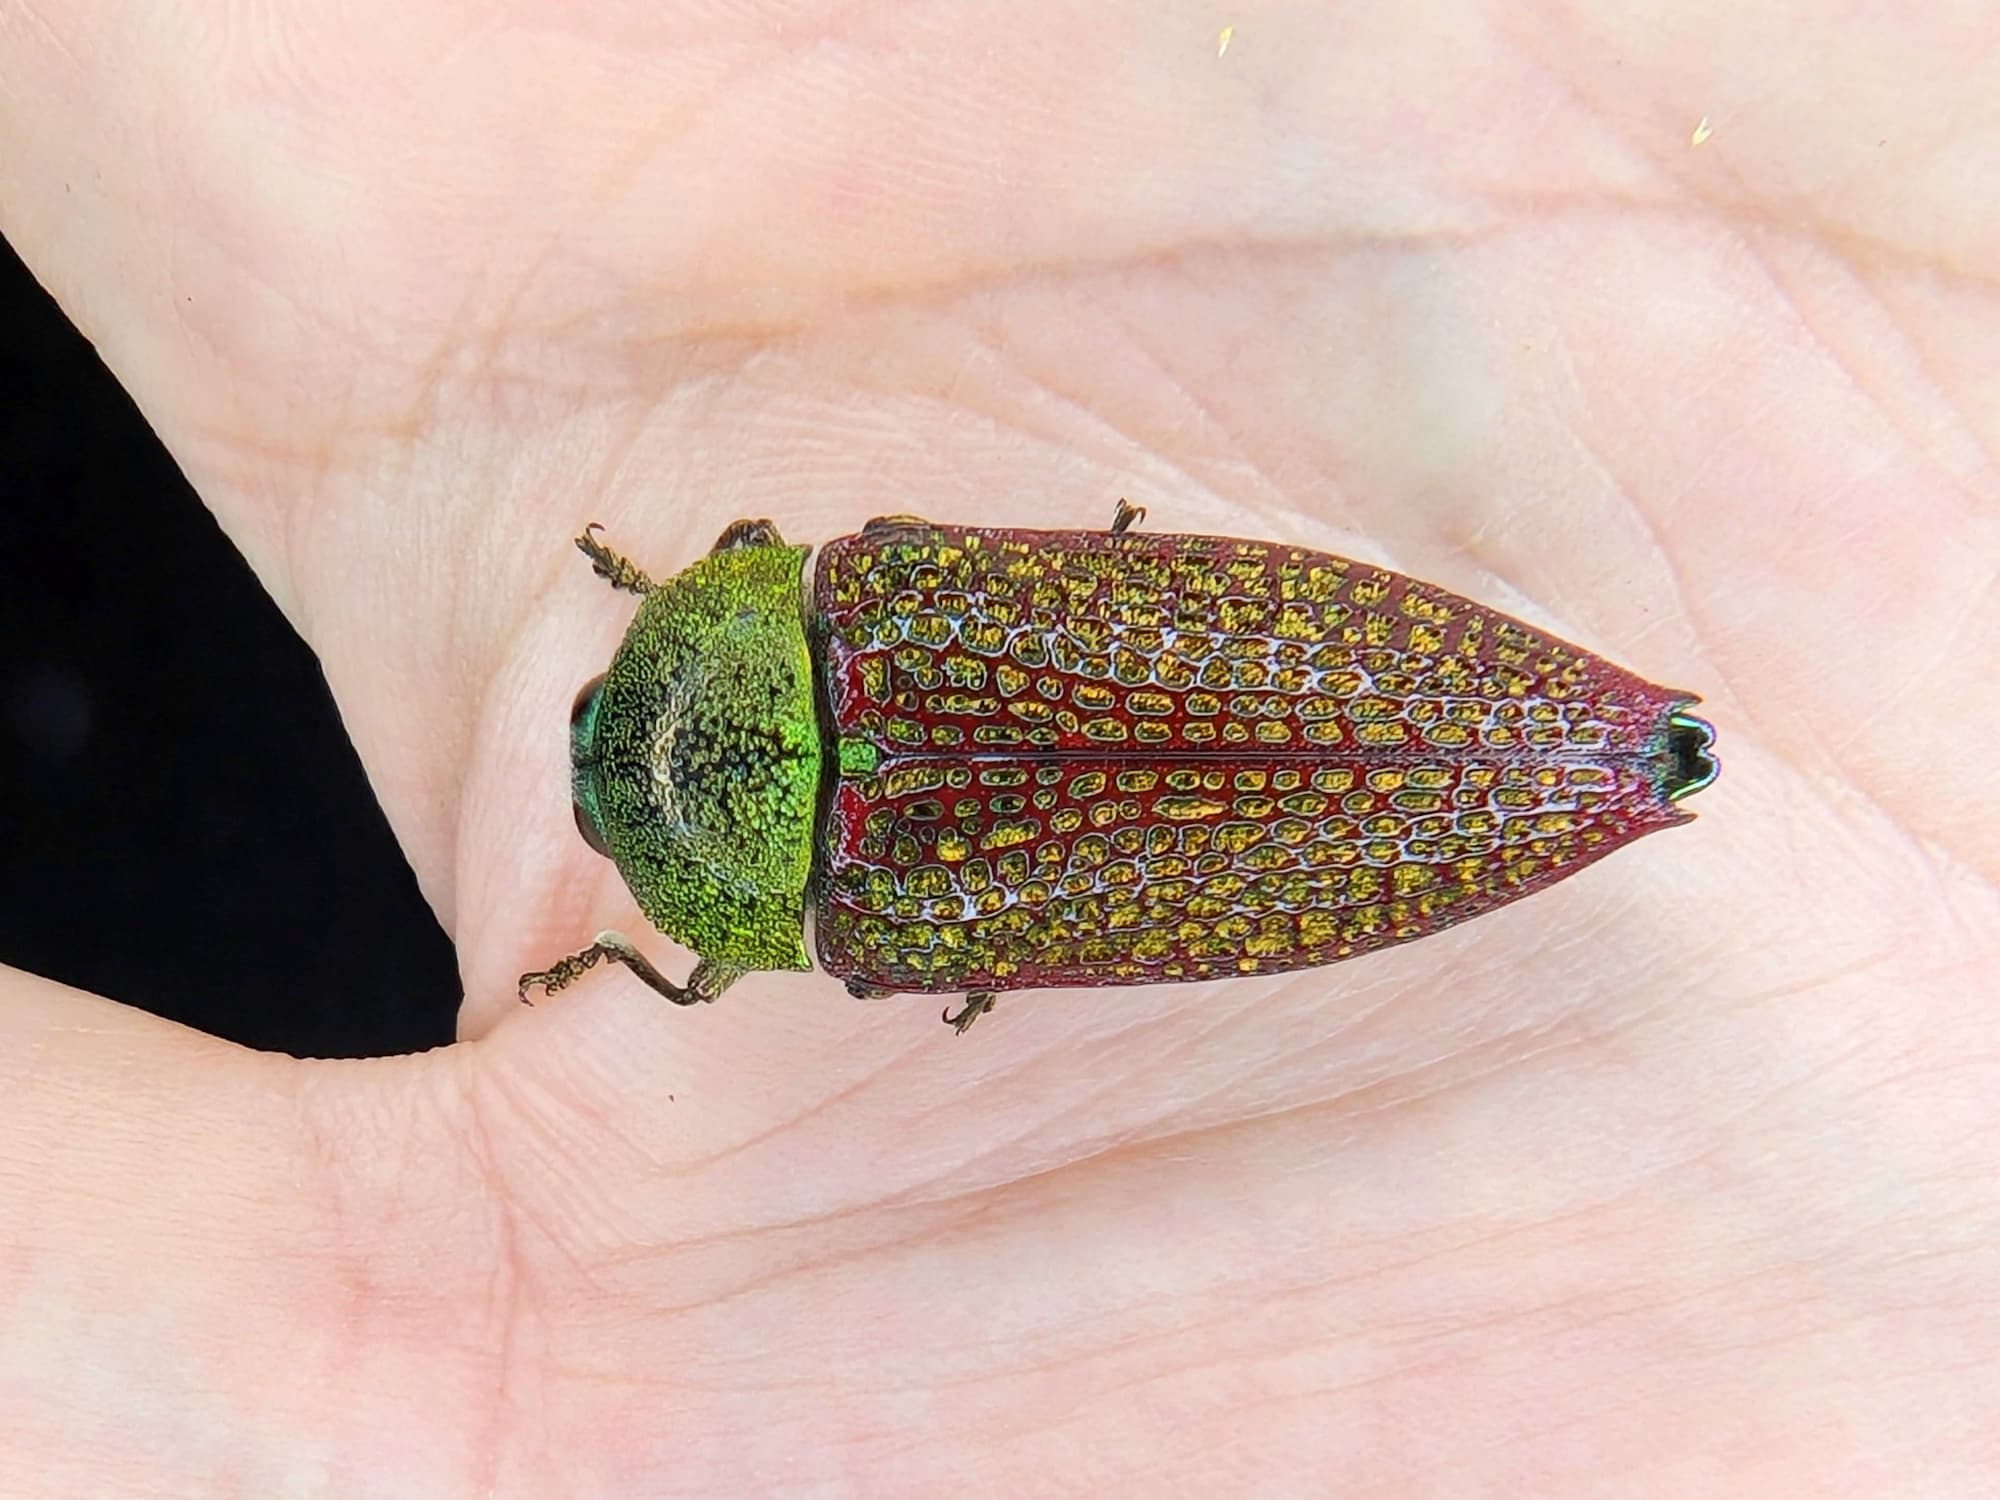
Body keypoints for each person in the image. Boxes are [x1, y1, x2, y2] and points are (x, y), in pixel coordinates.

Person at [3, 5, 1996, 1493]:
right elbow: (765, 567)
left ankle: (1619, 767)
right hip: (1347, 683)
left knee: (1258, 855)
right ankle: (1626, 756)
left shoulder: (841, 913)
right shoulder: (858, 597)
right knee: (1302, 706)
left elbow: (694, 958)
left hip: (1121, 870)